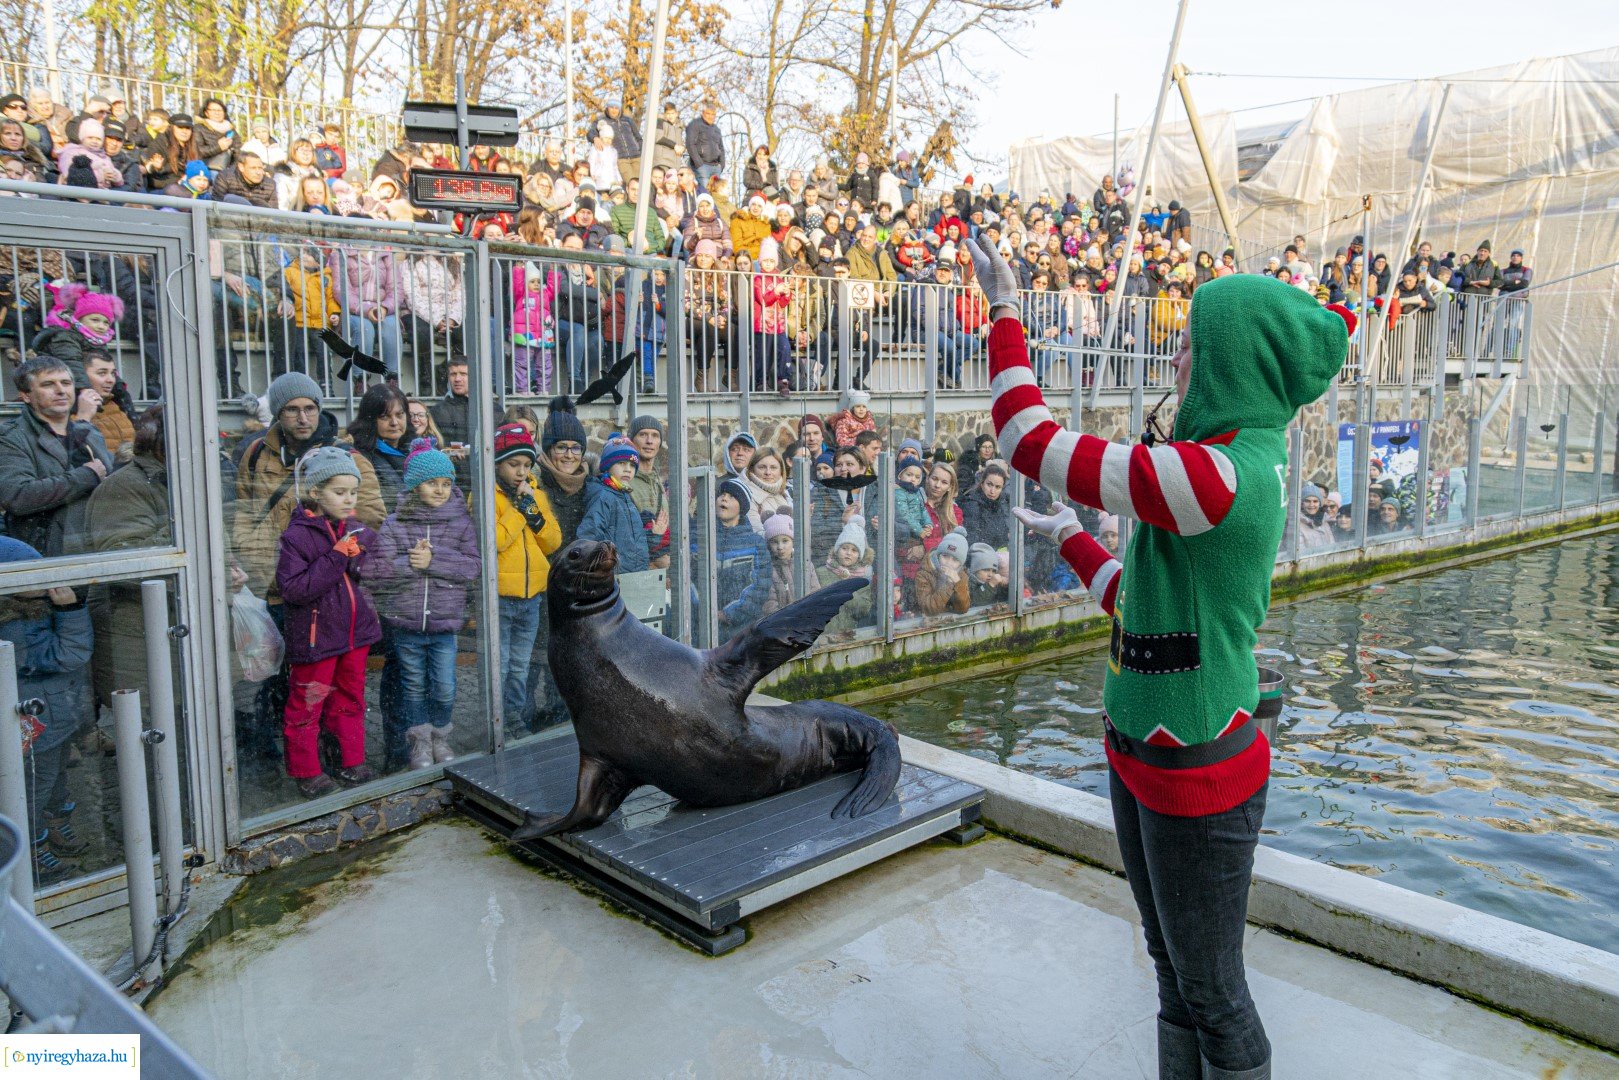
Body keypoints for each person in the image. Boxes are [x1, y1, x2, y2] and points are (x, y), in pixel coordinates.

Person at [965, 234, 1351, 1080]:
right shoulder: (1210, 467)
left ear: (1234, 362)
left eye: (1193, 345)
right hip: (1143, 756)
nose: (1177, 358)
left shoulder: (1218, 473)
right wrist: (1071, 539)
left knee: (1211, 990)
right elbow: (1147, 615)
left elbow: (1024, 437)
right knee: (1174, 975)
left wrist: (1001, 307)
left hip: (1195, 777)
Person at [367, 443, 481, 770]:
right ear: (415, 485)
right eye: (433, 483)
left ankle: (440, 736)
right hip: (406, 625)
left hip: (445, 626)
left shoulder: (460, 522)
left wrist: (434, 560)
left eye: (446, 483)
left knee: (445, 687)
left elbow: (472, 567)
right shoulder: (395, 524)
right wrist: (411, 563)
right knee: (413, 687)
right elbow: (377, 571)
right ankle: (419, 742)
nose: (440, 490)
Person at [276, 447, 382, 797]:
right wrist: (337, 557)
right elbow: (294, 589)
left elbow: (377, 573)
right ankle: (307, 770)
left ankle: (350, 762)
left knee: (350, 699)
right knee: (308, 704)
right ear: (316, 492)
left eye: (353, 491)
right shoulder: (297, 536)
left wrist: (362, 557)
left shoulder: (356, 529)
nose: (349, 499)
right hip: (316, 639)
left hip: (354, 635)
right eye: (340, 492)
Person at [0, 538, 94, 885]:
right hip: (37, 723)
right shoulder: (13, 626)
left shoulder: (32, 610)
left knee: (53, 781)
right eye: (32, 576)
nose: (45, 581)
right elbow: (69, 654)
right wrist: (70, 612)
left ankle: (54, 823)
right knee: (35, 786)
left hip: (55, 718)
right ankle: (31, 848)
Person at [0, 357, 113, 556]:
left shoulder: (90, 434)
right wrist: (85, 476)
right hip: (49, 553)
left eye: (66, 383)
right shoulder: (11, 437)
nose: (61, 390)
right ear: (26, 395)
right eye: (48, 384)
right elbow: (17, 496)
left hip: (100, 542)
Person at [491, 424, 562, 731]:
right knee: (501, 663)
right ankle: (498, 720)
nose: (521, 472)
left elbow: (552, 542)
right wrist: (518, 512)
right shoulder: (487, 497)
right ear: (497, 465)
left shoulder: (535, 494)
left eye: (526, 465)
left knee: (520, 665)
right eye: (513, 465)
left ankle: (515, 718)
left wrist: (532, 511)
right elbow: (494, 541)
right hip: (501, 597)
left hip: (531, 596)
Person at [577, 436, 653, 575]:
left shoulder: (625, 495)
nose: (627, 469)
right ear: (608, 466)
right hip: (613, 577)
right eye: (621, 463)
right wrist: (602, 567)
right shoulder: (604, 496)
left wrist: (654, 534)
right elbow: (589, 535)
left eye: (632, 465)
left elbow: (632, 540)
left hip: (634, 577)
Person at [711, 477, 771, 641]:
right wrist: (702, 611)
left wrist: (728, 614)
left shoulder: (755, 543)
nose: (724, 498)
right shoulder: (700, 537)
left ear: (742, 507)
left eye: (732, 496)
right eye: (722, 494)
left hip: (741, 631)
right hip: (702, 628)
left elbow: (759, 587)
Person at [627, 415, 671, 568]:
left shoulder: (657, 480)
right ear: (631, 440)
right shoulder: (625, 481)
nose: (649, 441)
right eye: (643, 434)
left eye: (655, 435)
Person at [816, 521, 873, 634]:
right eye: (844, 548)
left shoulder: (862, 580)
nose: (848, 553)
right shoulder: (820, 572)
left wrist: (847, 586)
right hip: (822, 633)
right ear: (837, 550)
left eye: (854, 550)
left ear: (860, 556)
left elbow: (863, 610)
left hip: (847, 634)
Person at [913, 528, 970, 615]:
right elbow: (928, 609)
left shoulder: (961, 575)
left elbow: (963, 609)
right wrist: (949, 585)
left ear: (960, 564)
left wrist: (958, 584)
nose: (948, 563)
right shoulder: (924, 573)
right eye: (945, 556)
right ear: (938, 555)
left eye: (955, 560)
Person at [760, 511, 797, 616]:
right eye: (774, 542)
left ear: (793, 541)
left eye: (785, 541)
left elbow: (815, 593)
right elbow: (769, 603)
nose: (780, 547)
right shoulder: (767, 570)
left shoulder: (805, 565)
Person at [685, 101, 726, 190]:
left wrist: (721, 165)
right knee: (705, 193)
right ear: (703, 113)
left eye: (713, 114)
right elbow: (690, 144)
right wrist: (699, 164)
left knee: (715, 193)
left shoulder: (716, 129)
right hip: (703, 166)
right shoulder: (695, 124)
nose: (710, 116)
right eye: (708, 113)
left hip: (716, 167)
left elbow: (721, 148)